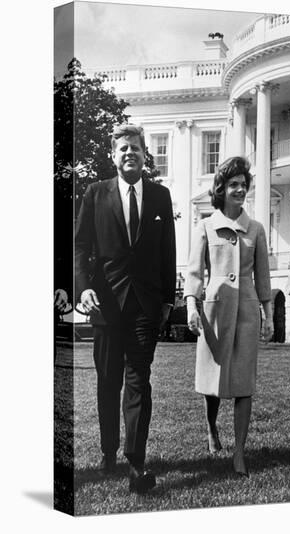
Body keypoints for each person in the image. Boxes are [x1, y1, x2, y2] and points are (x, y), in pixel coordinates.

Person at [75, 124, 176, 493]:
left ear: (144, 154)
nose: (129, 153)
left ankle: (136, 464)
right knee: (108, 382)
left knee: (138, 382)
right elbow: (80, 246)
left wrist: (167, 299)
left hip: (144, 306)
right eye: (123, 149)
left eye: (135, 148)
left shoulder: (161, 197)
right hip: (104, 305)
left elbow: (168, 252)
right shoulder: (94, 194)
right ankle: (108, 452)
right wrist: (83, 288)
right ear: (112, 156)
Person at [184, 156, 273, 478]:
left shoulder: (257, 230)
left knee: (244, 384)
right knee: (212, 383)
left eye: (243, 185)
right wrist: (192, 306)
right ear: (221, 189)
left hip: (247, 311)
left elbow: (264, 277)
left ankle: (239, 453)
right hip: (215, 312)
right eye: (233, 185)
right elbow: (194, 272)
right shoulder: (206, 226)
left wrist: (269, 313)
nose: (239, 190)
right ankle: (211, 430)